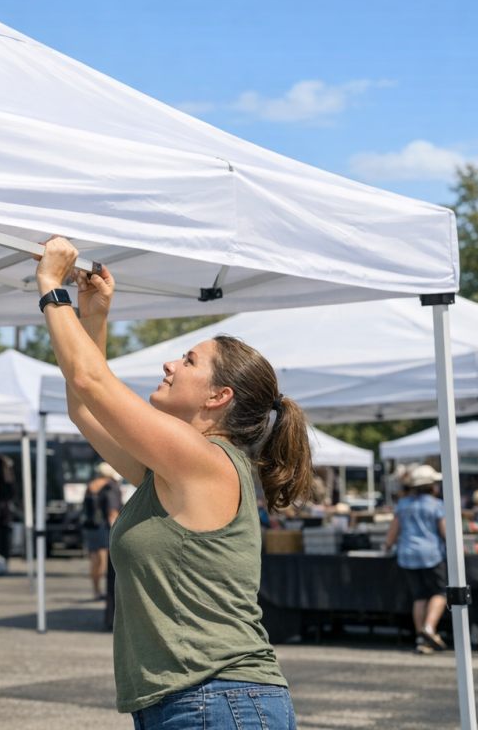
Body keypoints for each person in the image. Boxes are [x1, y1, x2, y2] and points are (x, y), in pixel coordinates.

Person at [34, 236, 312, 728]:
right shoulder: (177, 469)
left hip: (217, 699)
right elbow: (85, 408)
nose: (169, 364)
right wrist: (92, 316)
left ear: (217, 396)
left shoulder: (200, 460)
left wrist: (51, 286)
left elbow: (90, 382)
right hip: (195, 701)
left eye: (187, 361)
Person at [385, 464, 448, 654]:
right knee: (440, 592)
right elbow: (445, 533)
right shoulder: (436, 504)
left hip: (407, 555)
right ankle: (429, 628)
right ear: (431, 485)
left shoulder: (403, 504)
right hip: (431, 554)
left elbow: (392, 534)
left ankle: (421, 642)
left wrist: (387, 546)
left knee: (419, 597)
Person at [81, 461, 121, 601]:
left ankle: (96, 590)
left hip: (89, 526)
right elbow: (112, 510)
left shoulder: (90, 485)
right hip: (103, 526)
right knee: (105, 560)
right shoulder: (110, 486)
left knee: (95, 560)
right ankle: (107, 591)